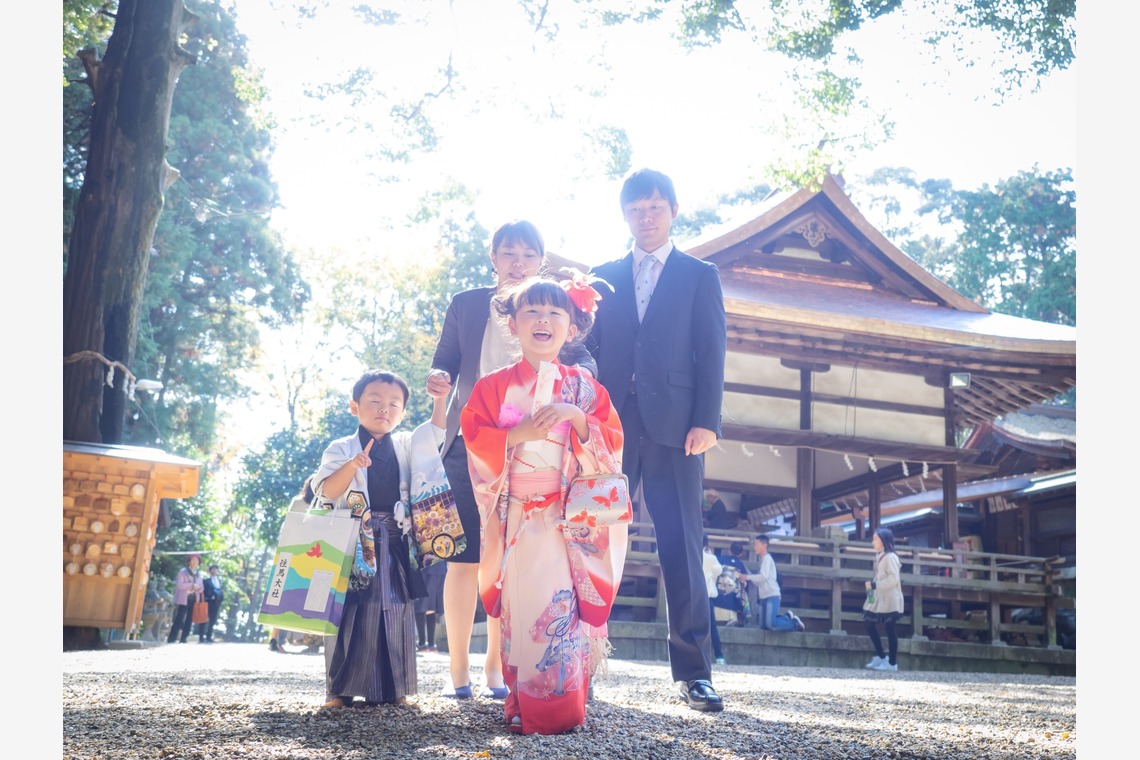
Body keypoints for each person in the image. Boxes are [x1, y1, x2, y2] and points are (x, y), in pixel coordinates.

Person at [426, 219, 597, 701]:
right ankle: (457, 667)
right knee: (463, 557)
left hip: (537, 446)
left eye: (527, 253)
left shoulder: (553, 303)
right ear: (493, 258)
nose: (517, 261)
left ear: (541, 260)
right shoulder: (465, 303)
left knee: (513, 555)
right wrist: (438, 377)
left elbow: (584, 361)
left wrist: (571, 393)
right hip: (472, 437)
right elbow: (446, 357)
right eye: (507, 253)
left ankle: (497, 669)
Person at [586, 168, 728, 712]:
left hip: (677, 432)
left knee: (683, 547)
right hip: (611, 432)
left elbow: (711, 350)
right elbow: (588, 352)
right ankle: (578, 658)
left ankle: (695, 672)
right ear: (624, 214)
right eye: (635, 209)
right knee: (593, 543)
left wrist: (707, 420)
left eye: (654, 207)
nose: (645, 217)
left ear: (672, 210)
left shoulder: (699, 275)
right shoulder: (602, 277)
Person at [461, 274, 628, 735]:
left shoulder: (586, 389)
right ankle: (521, 701)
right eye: (531, 311)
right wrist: (516, 435)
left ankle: (559, 707)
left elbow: (612, 442)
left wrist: (577, 419)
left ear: (572, 328)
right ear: (512, 325)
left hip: (565, 518)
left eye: (556, 313)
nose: (543, 320)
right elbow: (474, 437)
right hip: (515, 511)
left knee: (558, 605)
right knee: (519, 604)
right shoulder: (492, 387)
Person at [313, 369, 447, 707]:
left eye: (393, 404)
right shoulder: (340, 447)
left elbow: (436, 435)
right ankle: (339, 690)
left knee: (396, 608)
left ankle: (393, 689)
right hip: (352, 543)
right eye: (374, 401)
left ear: (402, 413)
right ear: (354, 407)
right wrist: (352, 465)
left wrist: (440, 400)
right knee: (350, 610)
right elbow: (326, 491)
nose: (383, 409)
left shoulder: (404, 444)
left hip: (395, 540)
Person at [271, 475, 317, 653]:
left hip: (293, 550)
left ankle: (277, 638)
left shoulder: (298, 502)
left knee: (282, 595)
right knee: (293, 595)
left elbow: (287, 527)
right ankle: (282, 638)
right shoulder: (317, 505)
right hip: (304, 554)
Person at [864, 527, 904, 672]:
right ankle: (882, 657)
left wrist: (875, 585)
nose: (873, 542)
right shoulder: (880, 556)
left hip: (891, 598)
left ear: (883, 541)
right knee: (869, 622)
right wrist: (873, 587)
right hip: (881, 597)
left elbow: (893, 579)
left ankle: (892, 663)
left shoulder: (891, 557)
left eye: (875, 539)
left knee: (890, 628)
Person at [744, 535, 802, 631]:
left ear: (764, 545)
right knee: (763, 626)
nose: (754, 547)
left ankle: (794, 623)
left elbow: (763, 577)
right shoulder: (762, 560)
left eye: (756, 544)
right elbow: (759, 582)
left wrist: (747, 576)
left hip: (772, 595)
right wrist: (747, 574)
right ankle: (786, 617)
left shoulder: (767, 558)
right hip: (763, 597)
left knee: (770, 624)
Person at [166, 553, 204, 644]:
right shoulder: (183, 572)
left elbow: (201, 587)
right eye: (193, 560)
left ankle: (184, 639)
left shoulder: (198, 574)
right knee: (179, 618)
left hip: (194, 599)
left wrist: (197, 587)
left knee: (190, 619)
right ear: (189, 561)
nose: (195, 562)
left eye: (197, 560)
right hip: (184, 598)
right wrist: (191, 585)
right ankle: (172, 639)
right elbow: (179, 585)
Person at [702, 534, 727, 666]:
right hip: (707, 596)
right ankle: (719, 656)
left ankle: (697, 655)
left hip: (694, 597)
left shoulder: (691, 556)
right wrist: (709, 553)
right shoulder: (711, 558)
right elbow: (718, 571)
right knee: (712, 627)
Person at [415, 560, 447, 653]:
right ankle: (431, 644)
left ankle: (422, 643)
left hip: (426, 563)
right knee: (432, 605)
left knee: (420, 602)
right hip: (440, 566)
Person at [197, 564, 224, 642]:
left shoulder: (219, 581)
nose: (214, 571)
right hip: (208, 602)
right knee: (203, 619)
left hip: (216, 603)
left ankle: (209, 636)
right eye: (213, 569)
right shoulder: (206, 581)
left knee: (213, 620)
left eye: (216, 569)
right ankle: (201, 637)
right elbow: (203, 591)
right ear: (210, 571)